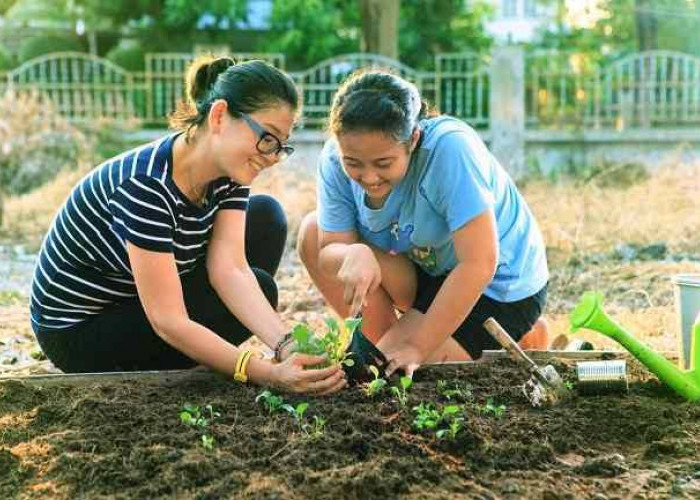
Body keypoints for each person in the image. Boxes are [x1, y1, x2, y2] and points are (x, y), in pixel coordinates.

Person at [30, 56, 346, 395]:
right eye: (266, 138)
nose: (271, 156)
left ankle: (201, 353)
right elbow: (168, 320)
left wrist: (286, 346)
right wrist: (264, 373)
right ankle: (198, 356)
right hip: (81, 331)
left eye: (280, 146)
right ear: (220, 115)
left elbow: (231, 270)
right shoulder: (146, 185)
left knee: (265, 219)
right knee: (262, 289)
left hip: (140, 298)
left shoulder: (229, 173)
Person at [298, 70, 549, 378]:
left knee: (410, 370)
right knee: (312, 232)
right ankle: (392, 342)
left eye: (383, 163)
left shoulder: (450, 150)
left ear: (413, 139)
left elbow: (480, 262)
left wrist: (417, 347)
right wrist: (353, 253)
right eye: (354, 163)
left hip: (497, 284)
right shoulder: (335, 161)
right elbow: (327, 251)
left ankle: (525, 336)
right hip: (427, 268)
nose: (369, 177)